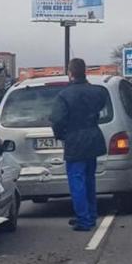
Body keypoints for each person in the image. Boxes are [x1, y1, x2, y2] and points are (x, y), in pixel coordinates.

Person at [50, 58, 108, 231]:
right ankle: (90, 214)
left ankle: (84, 219)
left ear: (70, 73)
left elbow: (58, 119)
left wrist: (61, 135)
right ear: (85, 72)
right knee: (90, 179)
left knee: (77, 180)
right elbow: (101, 103)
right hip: (93, 137)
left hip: (75, 140)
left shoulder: (64, 95)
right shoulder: (97, 92)